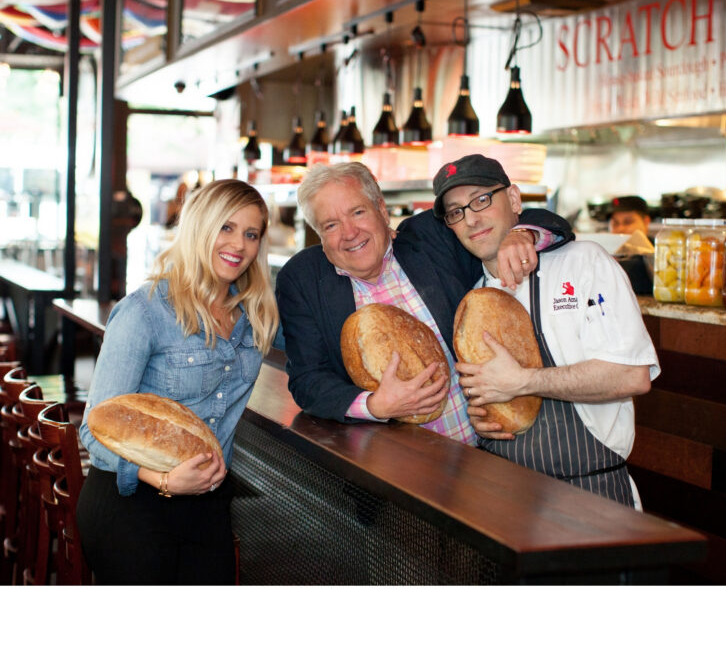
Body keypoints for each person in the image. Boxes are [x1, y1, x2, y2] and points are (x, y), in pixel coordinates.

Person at [275, 161, 571, 445]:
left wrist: (521, 234)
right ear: (319, 235)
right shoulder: (303, 280)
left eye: (357, 212)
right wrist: (376, 405)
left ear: (381, 208)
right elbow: (307, 380)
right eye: (330, 225)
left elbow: (536, 218)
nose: (349, 233)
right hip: (396, 470)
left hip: (488, 449)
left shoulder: (431, 238)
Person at [76, 179, 279, 584]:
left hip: (208, 504)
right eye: (226, 227)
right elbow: (93, 430)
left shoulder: (255, 316)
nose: (239, 244)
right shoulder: (145, 312)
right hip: (131, 500)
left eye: (251, 233)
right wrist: (165, 480)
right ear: (199, 227)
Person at [434, 154, 659, 508]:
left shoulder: (583, 262)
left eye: (481, 199)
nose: (471, 218)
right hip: (503, 496)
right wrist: (483, 416)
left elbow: (631, 376)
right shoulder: (472, 299)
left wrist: (523, 382)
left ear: (514, 200)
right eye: (456, 211)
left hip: (591, 495)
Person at [607, 195, 655, 295]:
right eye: (615, 223)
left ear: (646, 222)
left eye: (628, 222)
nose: (620, 229)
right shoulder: (603, 254)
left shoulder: (661, 253)